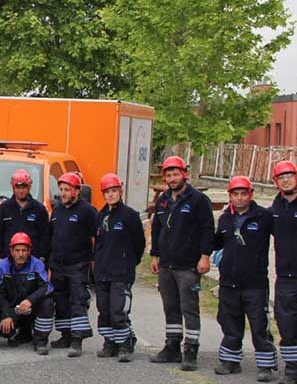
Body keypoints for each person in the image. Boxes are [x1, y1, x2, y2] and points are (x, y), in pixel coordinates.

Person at [149, 156, 214, 371]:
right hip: (166, 265)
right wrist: (155, 256)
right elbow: (157, 228)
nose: (172, 178)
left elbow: (207, 230)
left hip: (188, 266)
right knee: (171, 309)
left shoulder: (198, 200)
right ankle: (172, 347)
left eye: (175, 174)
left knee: (189, 309)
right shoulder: (163, 200)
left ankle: (190, 350)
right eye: (168, 175)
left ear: (184, 174)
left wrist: (205, 256)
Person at [212, 176, 277, 381]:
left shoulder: (264, 216)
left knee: (259, 324)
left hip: (255, 283)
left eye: (244, 194)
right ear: (229, 196)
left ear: (251, 195)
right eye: (235, 194)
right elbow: (217, 242)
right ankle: (230, 361)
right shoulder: (224, 219)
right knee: (229, 322)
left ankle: (265, 365)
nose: (239, 198)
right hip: (228, 281)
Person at [93, 173, 145, 362]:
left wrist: (129, 263)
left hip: (121, 273)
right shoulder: (100, 216)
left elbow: (139, 243)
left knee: (118, 310)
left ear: (120, 191)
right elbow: (97, 243)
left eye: (114, 191)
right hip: (102, 272)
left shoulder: (130, 216)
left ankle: (125, 345)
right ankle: (109, 343)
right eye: (107, 192)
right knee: (104, 310)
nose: (111, 195)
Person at [48, 172, 97, 357]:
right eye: (61, 190)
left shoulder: (87, 211)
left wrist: (94, 262)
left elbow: (98, 237)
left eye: (67, 189)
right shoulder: (57, 210)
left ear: (77, 190)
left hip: (78, 265)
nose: (63, 193)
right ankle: (65, 335)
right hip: (58, 265)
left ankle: (77, 340)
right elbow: (51, 235)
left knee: (78, 301)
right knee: (60, 301)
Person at [0, 232, 53, 355]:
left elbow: (46, 287)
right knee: (3, 330)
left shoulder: (37, 264)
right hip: (14, 307)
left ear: (29, 251)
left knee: (47, 303)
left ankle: (40, 341)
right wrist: (6, 315)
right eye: (17, 250)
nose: (20, 254)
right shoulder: (3, 266)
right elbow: (0, 294)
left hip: (33, 305)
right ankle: (23, 333)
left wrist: (30, 300)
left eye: (24, 250)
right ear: (11, 251)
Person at [271, 160, 297, 384]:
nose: (286, 179)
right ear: (276, 182)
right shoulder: (276, 207)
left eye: (290, 175)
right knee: (286, 322)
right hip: (286, 276)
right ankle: (292, 368)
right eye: (282, 177)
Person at [0, 169, 50, 262]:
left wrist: (42, 256)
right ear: (13, 188)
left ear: (29, 187)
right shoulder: (4, 208)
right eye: (17, 187)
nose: (21, 191)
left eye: (24, 187)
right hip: (8, 261)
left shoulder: (39, 209)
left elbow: (46, 235)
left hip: (32, 262)